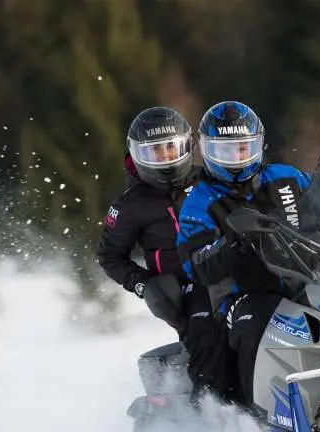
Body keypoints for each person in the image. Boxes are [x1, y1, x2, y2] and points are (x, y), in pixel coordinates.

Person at [176, 101, 311, 406]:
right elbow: (196, 262)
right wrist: (233, 243)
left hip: (308, 279)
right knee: (260, 326)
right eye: (225, 151)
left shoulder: (286, 178)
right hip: (244, 294)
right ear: (207, 152)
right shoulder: (200, 202)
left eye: (242, 149)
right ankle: (259, 413)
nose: (235, 159)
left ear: (258, 146)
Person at [96, 106, 221, 400]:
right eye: (154, 153)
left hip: (228, 269)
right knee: (208, 329)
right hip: (185, 288)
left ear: (187, 147)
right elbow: (110, 256)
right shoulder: (131, 204)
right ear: (137, 156)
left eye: (170, 149)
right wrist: (146, 284)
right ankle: (211, 410)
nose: (165, 159)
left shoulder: (210, 181)